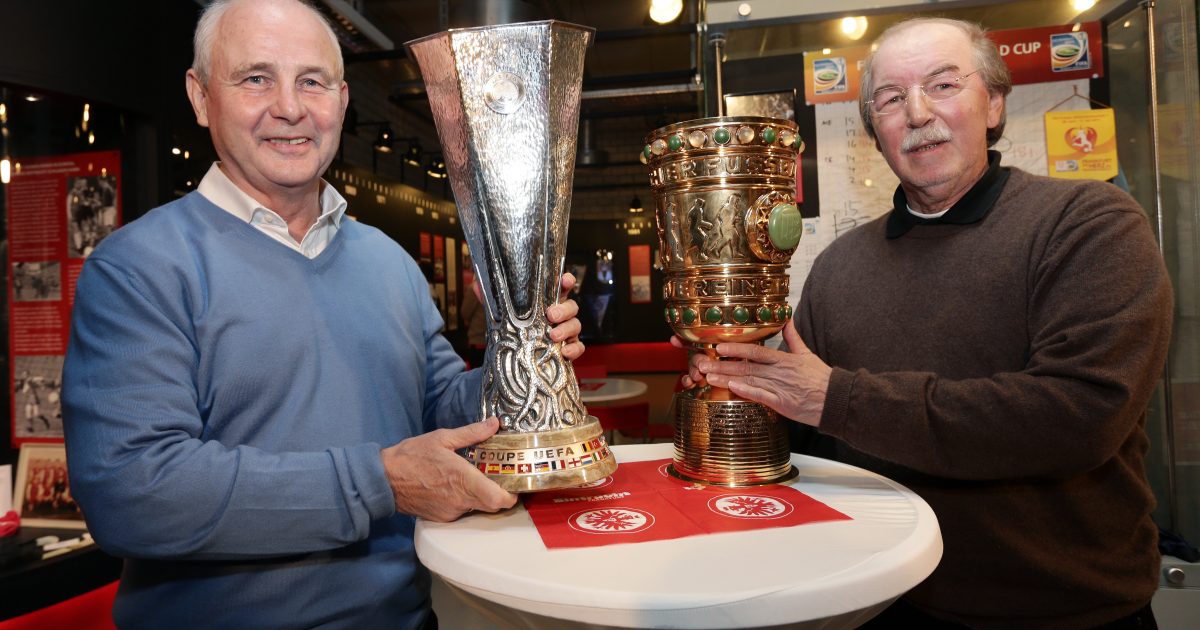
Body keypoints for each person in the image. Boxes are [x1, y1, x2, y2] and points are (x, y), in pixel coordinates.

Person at [61, 1, 583, 628]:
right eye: (256, 78)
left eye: (312, 81)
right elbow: (133, 492)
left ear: (340, 100)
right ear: (200, 98)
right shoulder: (139, 267)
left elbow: (440, 406)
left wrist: (523, 357)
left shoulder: (386, 261)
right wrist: (378, 483)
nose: (289, 107)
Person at [684, 17, 1172, 629]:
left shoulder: (1087, 224)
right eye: (890, 99)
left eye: (943, 85)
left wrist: (838, 398)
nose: (916, 113)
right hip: (879, 603)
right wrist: (730, 387)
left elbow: (1080, 417)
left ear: (993, 102)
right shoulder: (838, 267)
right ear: (876, 134)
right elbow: (804, 442)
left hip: (1064, 614)